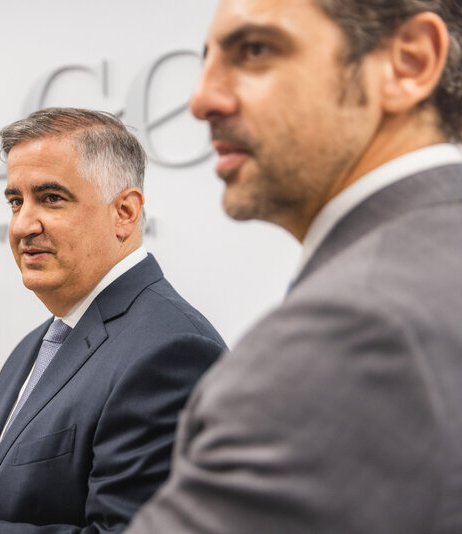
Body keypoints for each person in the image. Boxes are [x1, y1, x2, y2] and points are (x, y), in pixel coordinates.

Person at [127, 1, 462, 532]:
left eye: (255, 50)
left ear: (410, 62)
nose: (201, 100)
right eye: (207, 60)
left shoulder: (353, 328)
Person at [0, 107, 225, 533]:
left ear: (124, 212)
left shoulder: (172, 352)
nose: (23, 225)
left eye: (51, 198)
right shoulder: (37, 343)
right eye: (16, 201)